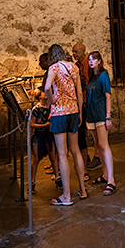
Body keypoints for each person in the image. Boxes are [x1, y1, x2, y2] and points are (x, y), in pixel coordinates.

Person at [45, 43, 87, 205]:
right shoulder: (73, 67)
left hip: (60, 114)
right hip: (73, 111)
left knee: (62, 154)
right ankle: (82, 190)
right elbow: (79, 93)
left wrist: (52, 99)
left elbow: (48, 86)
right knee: (76, 151)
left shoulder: (54, 68)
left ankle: (66, 196)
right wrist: (80, 112)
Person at [86, 51, 116, 196]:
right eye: (89, 59)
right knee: (97, 145)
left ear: (99, 61)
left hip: (100, 114)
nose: (90, 61)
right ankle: (104, 174)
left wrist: (108, 116)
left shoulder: (103, 75)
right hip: (91, 115)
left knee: (104, 145)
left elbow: (107, 96)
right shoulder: (92, 77)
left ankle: (111, 180)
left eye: (93, 59)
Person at [30, 89, 58, 192]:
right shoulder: (36, 109)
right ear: (39, 96)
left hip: (48, 135)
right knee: (36, 158)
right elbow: (32, 124)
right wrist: (44, 125)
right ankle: (32, 181)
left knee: (53, 156)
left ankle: (58, 177)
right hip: (39, 134)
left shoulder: (51, 107)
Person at [72, 42, 91, 179]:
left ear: (83, 51)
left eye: (76, 51)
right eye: (73, 51)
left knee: (86, 134)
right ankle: (84, 160)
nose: (74, 54)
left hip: (88, 102)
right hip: (80, 104)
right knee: (80, 134)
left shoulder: (88, 65)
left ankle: (88, 162)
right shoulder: (76, 66)